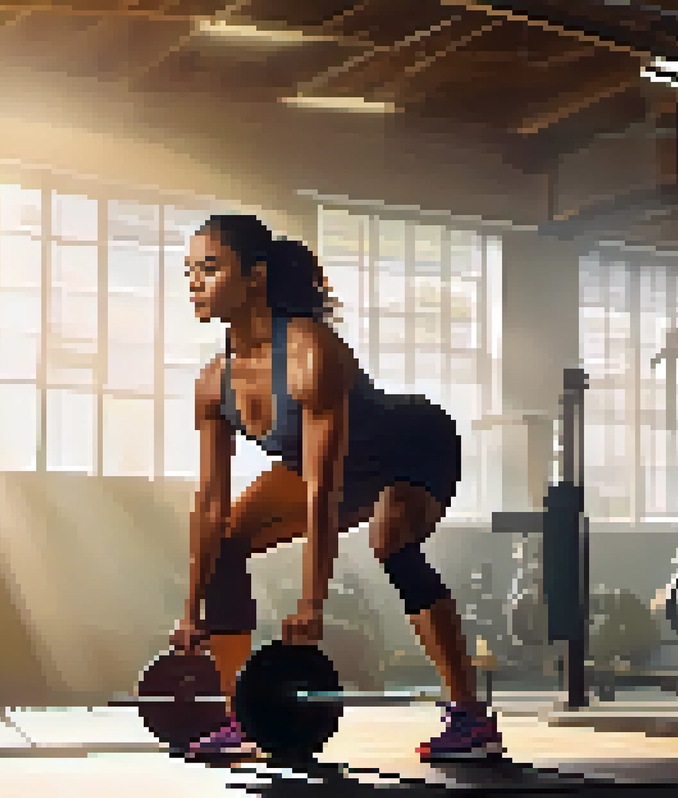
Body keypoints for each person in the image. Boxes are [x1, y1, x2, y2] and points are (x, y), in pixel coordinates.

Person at [172, 213, 503, 762]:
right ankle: (244, 717)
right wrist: (191, 612)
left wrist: (312, 604)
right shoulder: (215, 382)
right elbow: (209, 504)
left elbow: (323, 490)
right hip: (328, 468)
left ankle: (470, 716)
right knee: (227, 538)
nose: (195, 283)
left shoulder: (309, 354)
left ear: (254, 278)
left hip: (410, 447)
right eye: (190, 271)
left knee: (389, 537)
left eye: (210, 269)